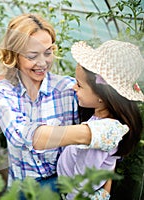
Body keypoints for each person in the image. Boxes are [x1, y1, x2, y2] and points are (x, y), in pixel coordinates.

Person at [0, 13, 127, 194]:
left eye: (48, 52)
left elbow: (105, 151)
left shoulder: (69, 89)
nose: (42, 63)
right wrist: (96, 133)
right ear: (14, 56)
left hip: (64, 184)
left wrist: (105, 190)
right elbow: (20, 134)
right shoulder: (2, 91)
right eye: (32, 55)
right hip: (23, 186)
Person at [55, 40, 144, 199]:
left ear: (102, 96)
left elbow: (82, 183)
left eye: (79, 85)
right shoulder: (112, 123)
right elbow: (108, 163)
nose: (73, 87)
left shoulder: (97, 137)